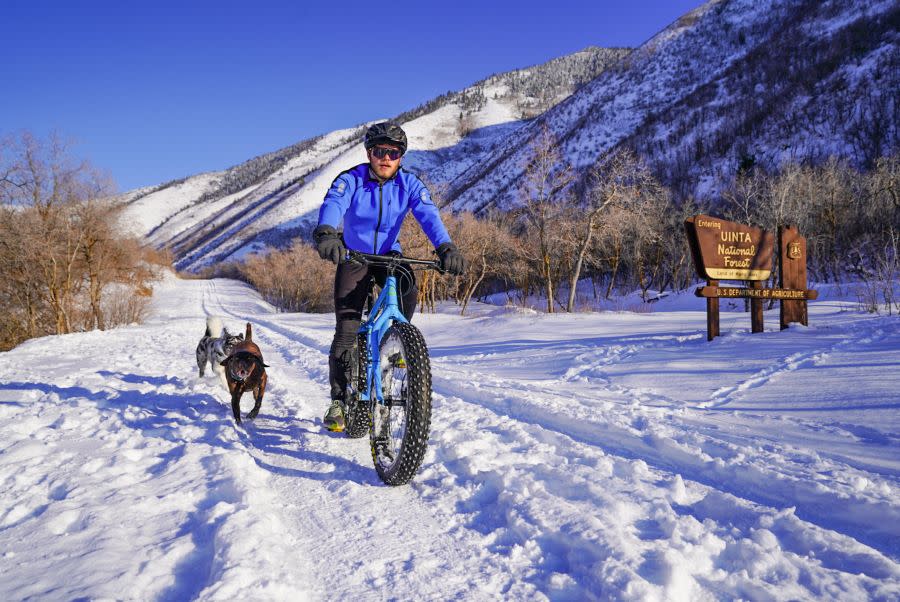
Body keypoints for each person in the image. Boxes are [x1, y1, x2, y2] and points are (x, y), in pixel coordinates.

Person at [313, 122, 465, 432]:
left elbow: (428, 214)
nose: (386, 158)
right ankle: (339, 401)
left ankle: (393, 343)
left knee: (409, 289)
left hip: (388, 256)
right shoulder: (351, 179)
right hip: (354, 256)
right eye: (380, 151)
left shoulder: (409, 184)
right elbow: (333, 204)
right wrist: (326, 233)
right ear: (369, 153)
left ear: (401, 157)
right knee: (347, 328)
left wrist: (446, 247)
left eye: (393, 153)